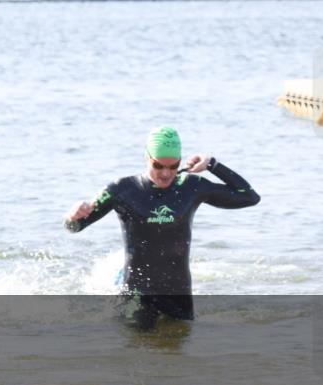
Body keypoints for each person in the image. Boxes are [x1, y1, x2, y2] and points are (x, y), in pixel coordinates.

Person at [63, 126, 260, 330]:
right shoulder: (121, 189)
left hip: (178, 292)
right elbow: (74, 227)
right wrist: (73, 216)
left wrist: (212, 164)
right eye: (158, 165)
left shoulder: (191, 186)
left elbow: (249, 197)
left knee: (178, 354)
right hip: (137, 293)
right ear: (146, 157)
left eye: (173, 166)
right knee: (136, 352)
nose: (166, 173)